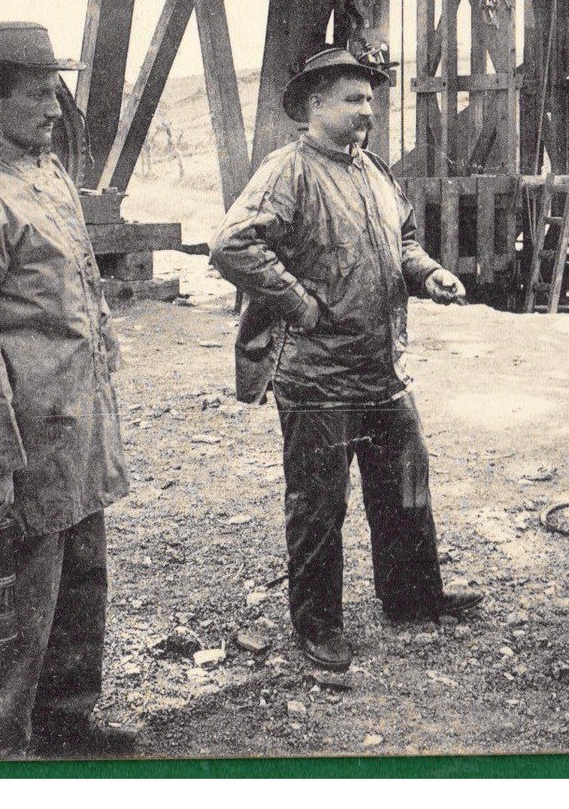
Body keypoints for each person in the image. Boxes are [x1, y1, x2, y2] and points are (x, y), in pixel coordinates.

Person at [209, 47, 482, 673]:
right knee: (318, 505)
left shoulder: (374, 171)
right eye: (353, 100)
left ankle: (414, 598)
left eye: (369, 99)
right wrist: (300, 303)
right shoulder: (288, 172)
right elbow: (232, 243)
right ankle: (319, 624)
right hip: (316, 376)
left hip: (380, 369)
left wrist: (429, 273)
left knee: (406, 484)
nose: (367, 110)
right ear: (314, 106)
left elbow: (402, 240)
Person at [0, 21, 136, 759]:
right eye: (39, 93)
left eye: (55, 90)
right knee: (3, 607)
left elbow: (79, 290)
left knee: (79, 585)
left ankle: (67, 727)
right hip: (18, 445)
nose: (54, 108)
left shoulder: (44, 177)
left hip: (71, 429)